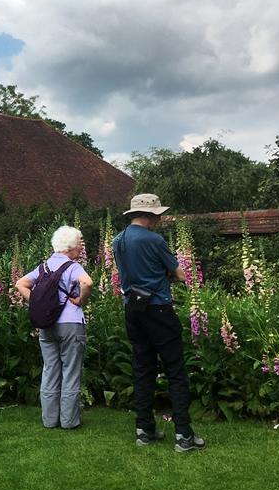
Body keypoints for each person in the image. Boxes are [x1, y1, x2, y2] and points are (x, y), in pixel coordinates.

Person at [112, 193, 206, 452]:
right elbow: (179, 274)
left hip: (132, 309)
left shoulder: (117, 240)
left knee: (142, 368)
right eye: (159, 214)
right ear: (150, 215)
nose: (161, 219)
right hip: (159, 309)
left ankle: (144, 430)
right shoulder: (154, 239)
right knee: (176, 371)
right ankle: (184, 436)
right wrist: (170, 275)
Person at [16, 225, 93, 430]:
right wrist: (79, 300)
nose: (80, 247)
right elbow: (88, 283)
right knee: (71, 371)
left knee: (50, 370)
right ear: (70, 246)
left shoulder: (44, 267)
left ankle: (49, 420)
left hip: (47, 325)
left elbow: (20, 284)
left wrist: (39, 303)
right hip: (70, 324)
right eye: (79, 242)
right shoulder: (73, 267)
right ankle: (69, 421)